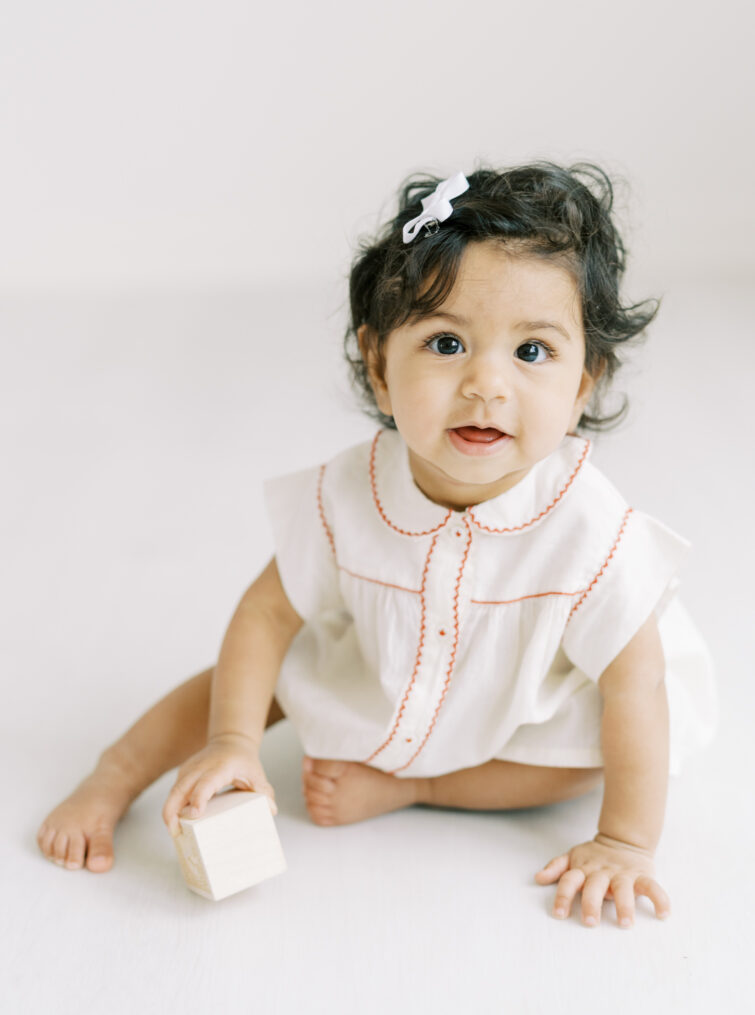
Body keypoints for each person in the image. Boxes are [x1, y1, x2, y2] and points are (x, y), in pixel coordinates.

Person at [37, 163, 717, 928]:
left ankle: (422, 787)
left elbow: (635, 687)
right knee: (255, 678)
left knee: (589, 754)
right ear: (379, 365)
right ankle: (114, 775)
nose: (486, 383)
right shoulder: (347, 493)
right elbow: (265, 616)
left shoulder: (591, 533)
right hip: (387, 663)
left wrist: (625, 841)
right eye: (447, 342)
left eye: (531, 353)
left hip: (524, 703)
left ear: (584, 382)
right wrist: (234, 738)